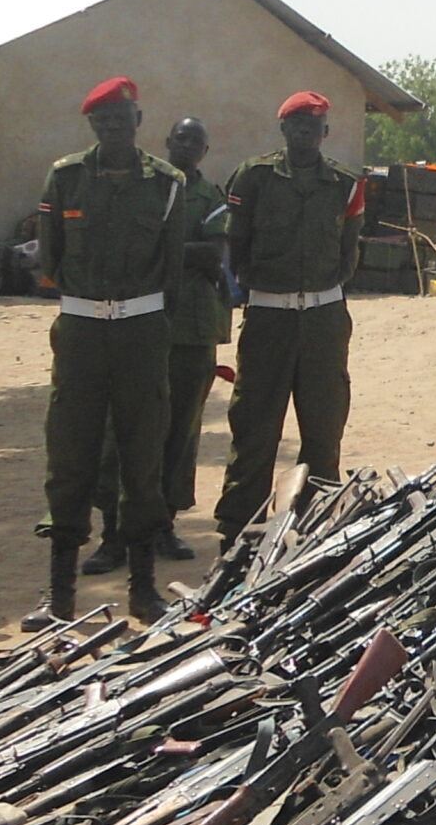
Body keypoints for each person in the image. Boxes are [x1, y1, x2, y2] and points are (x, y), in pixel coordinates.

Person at [31, 77, 191, 626]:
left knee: (142, 455)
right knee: (70, 454)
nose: (114, 127)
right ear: (93, 126)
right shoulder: (66, 178)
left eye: (122, 118)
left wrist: (139, 316)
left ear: (138, 119)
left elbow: (172, 270)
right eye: (103, 121)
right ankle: (59, 595)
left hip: (141, 333)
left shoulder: (167, 184)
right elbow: (50, 259)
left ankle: (143, 589)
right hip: (79, 333)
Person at [212, 92, 364, 539]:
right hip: (269, 318)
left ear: (325, 133)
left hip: (324, 319)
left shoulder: (345, 184)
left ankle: (317, 530)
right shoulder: (253, 178)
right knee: (255, 427)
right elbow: (235, 246)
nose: (305, 130)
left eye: (314, 124)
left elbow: (348, 253)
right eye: (297, 122)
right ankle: (238, 531)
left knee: (323, 427)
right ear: (283, 129)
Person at [86, 117, 227, 571]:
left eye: (196, 141)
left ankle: (164, 524)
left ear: (205, 151)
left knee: (181, 430)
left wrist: (161, 249)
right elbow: (120, 246)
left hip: (192, 329)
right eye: (180, 138)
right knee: (120, 429)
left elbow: (215, 255)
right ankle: (114, 534)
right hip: (136, 325)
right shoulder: (146, 187)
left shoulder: (211, 197)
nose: (186, 146)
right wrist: (183, 250)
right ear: (166, 142)